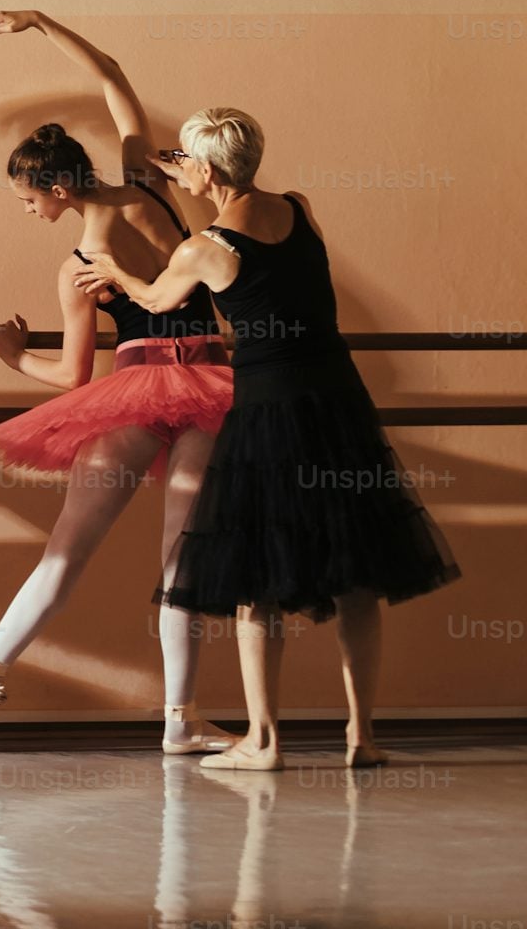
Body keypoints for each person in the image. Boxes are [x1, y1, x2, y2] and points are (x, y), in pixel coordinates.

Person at [72, 107, 459, 769]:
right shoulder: (298, 208)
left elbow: (162, 299)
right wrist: (186, 168)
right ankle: (360, 737)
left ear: (211, 168)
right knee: (358, 574)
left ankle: (264, 741)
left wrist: (116, 273)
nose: (180, 169)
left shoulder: (203, 249)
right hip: (338, 399)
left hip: (270, 410)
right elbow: (269, 271)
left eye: (187, 160)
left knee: (260, 578)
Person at [0, 11, 237, 753]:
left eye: (28, 200)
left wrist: (12, 359)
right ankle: (180, 719)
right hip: (209, 378)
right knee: (183, 555)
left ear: (55, 187)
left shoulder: (78, 264)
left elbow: (72, 376)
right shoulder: (145, 183)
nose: (30, 213)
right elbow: (112, 78)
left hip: (138, 389)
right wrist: (42, 23)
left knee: (68, 552)